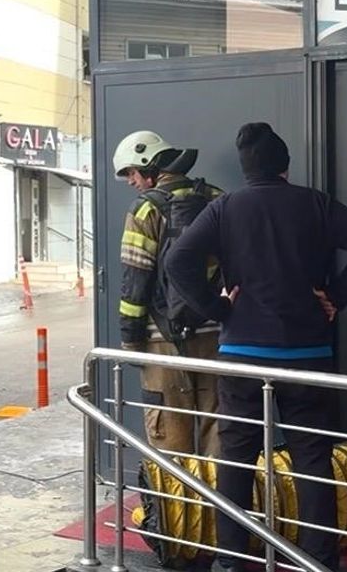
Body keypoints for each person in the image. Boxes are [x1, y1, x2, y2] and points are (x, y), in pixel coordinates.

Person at [165, 122, 347, 572]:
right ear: (285, 166)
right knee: (311, 458)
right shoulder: (314, 203)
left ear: (246, 169)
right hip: (306, 355)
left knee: (236, 456)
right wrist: (336, 296)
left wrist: (219, 309)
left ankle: (231, 560)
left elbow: (177, 261)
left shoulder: (225, 208)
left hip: (242, 357)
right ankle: (320, 560)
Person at [113, 130, 224, 458]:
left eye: (132, 172)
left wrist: (131, 341)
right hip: (216, 335)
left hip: (162, 341)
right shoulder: (218, 198)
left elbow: (135, 280)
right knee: (219, 430)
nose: (131, 181)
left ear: (150, 166)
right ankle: (216, 493)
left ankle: (176, 493)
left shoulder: (144, 210)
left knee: (170, 438)